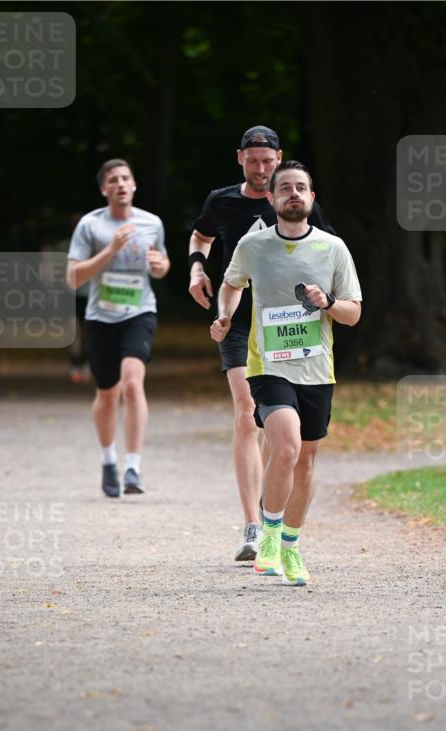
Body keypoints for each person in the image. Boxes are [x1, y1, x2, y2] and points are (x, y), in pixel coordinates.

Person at [210, 161, 362, 585]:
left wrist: (328, 303)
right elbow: (231, 283)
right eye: (285, 189)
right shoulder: (253, 246)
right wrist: (224, 316)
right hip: (269, 366)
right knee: (287, 445)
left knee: (307, 459)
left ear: (312, 198)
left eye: (301, 188)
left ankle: (292, 545)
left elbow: (353, 314)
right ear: (272, 199)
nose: (294, 194)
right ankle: (271, 536)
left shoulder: (333, 249)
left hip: (316, 368)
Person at [189, 126, 335, 561]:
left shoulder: (295, 201)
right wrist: (197, 269)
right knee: (246, 412)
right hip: (237, 320)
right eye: (252, 160)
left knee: (285, 433)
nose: (260, 168)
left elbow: (327, 251)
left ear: (279, 159)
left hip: (287, 325)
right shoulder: (221, 200)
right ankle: (254, 525)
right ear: (240, 159)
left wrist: (325, 303)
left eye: (267, 161)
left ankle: (274, 512)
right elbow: (201, 236)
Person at [67, 159, 170, 497]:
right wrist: (110, 250)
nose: (121, 184)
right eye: (113, 180)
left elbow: (162, 264)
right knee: (107, 394)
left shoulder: (151, 223)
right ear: (104, 189)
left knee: (132, 383)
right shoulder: (90, 225)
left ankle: (133, 468)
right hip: (100, 317)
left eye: (126, 178)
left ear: (135, 184)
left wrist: (160, 266)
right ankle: (109, 459)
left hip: (139, 312)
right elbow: (73, 277)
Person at [56, 213, 91, 383]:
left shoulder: (93, 246)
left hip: (89, 295)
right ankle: (75, 364)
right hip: (69, 295)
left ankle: (85, 364)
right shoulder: (62, 246)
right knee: (75, 332)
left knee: (88, 332)